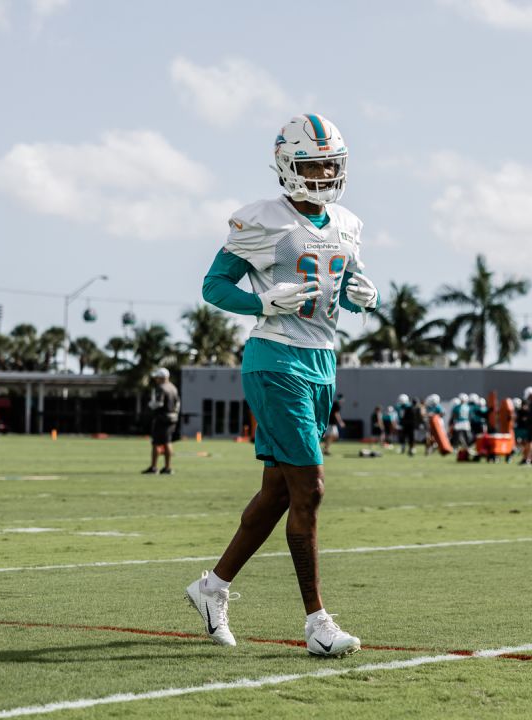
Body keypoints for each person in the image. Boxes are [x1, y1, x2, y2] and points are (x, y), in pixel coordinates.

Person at [187, 113, 373, 658]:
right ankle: (317, 623)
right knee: (310, 488)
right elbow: (214, 286)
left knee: (276, 493)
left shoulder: (347, 223)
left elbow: (350, 283)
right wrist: (261, 301)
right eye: (314, 164)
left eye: (331, 165)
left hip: (322, 361)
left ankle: (211, 588)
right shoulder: (262, 220)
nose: (324, 174)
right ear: (288, 166)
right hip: (275, 359)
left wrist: (368, 296)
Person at [144, 367, 180, 474]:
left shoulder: (161, 388)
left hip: (162, 418)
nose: (156, 379)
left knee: (157, 443)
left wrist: (149, 406)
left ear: (161, 378)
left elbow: (158, 403)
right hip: (173, 417)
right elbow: (178, 404)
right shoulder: (173, 388)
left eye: (157, 377)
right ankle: (167, 467)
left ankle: (154, 467)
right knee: (167, 441)